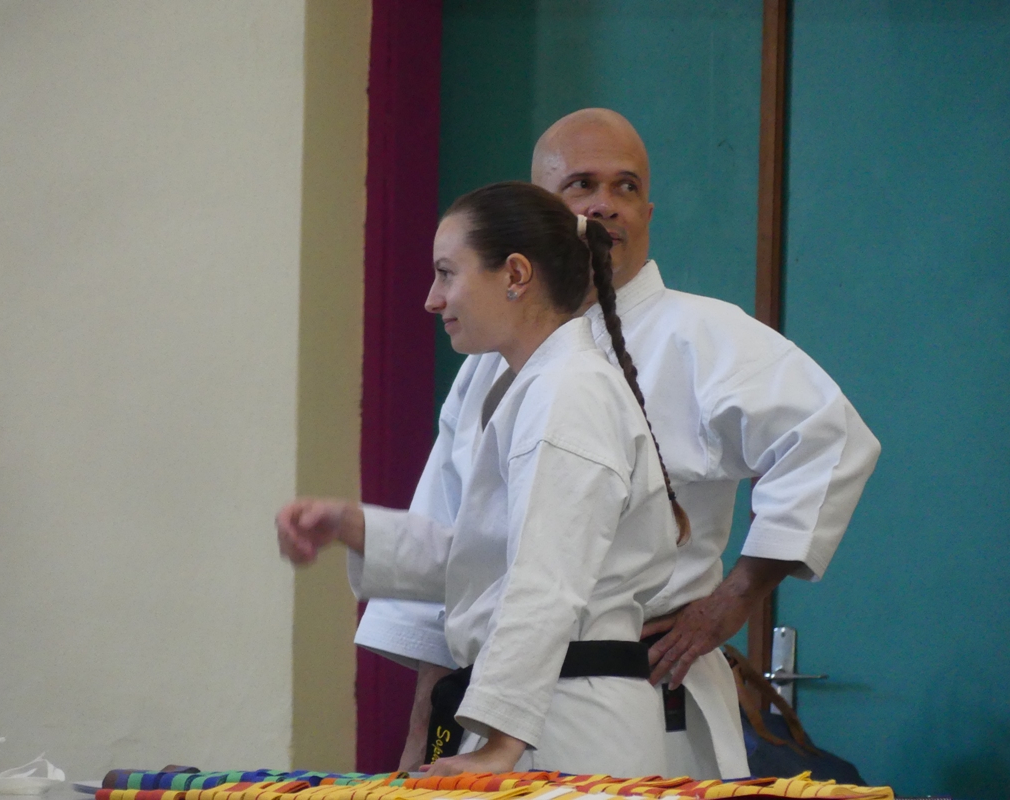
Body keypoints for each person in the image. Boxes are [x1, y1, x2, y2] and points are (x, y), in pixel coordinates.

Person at [354, 109, 882, 779]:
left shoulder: (702, 336)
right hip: (490, 705)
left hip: (635, 693)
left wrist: (734, 598)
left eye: (625, 186)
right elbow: (457, 551)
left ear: (647, 211)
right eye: (581, 184)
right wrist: (424, 729)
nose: (605, 204)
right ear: (539, 213)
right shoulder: (487, 365)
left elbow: (830, 439)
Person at [279, 181, 690, 777]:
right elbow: (491, 560)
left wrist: (501, 744)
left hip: (564, 728)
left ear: (515, 274)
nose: (432, 299)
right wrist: (355, 527)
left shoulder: (570, 391)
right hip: (539, 717)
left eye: (447, 274)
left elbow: (545, 582)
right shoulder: (541, 385)